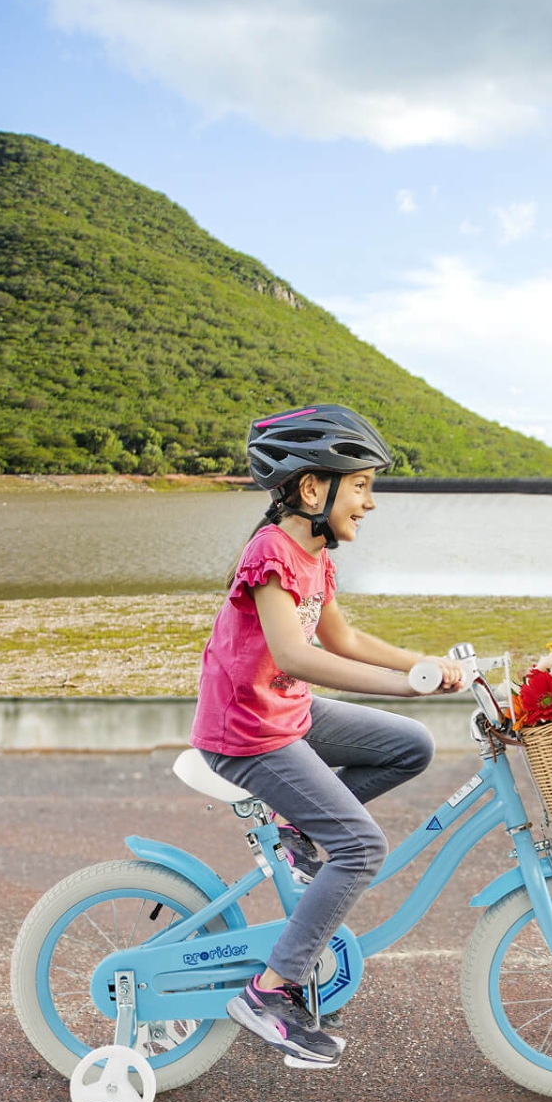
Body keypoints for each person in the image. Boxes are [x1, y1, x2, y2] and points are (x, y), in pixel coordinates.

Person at [190, 404, 463, 1068]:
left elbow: (342, 638)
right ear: (313, 488)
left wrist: (422, 665)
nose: (370, 502)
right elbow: (295, 654)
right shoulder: (269, 551)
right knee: (361, 847)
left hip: (287, 713)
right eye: (361, 485)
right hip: (248, 731)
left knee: (411, 746)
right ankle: (269, 993)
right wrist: (405, 686)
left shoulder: (313, 556)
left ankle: (296, 830)